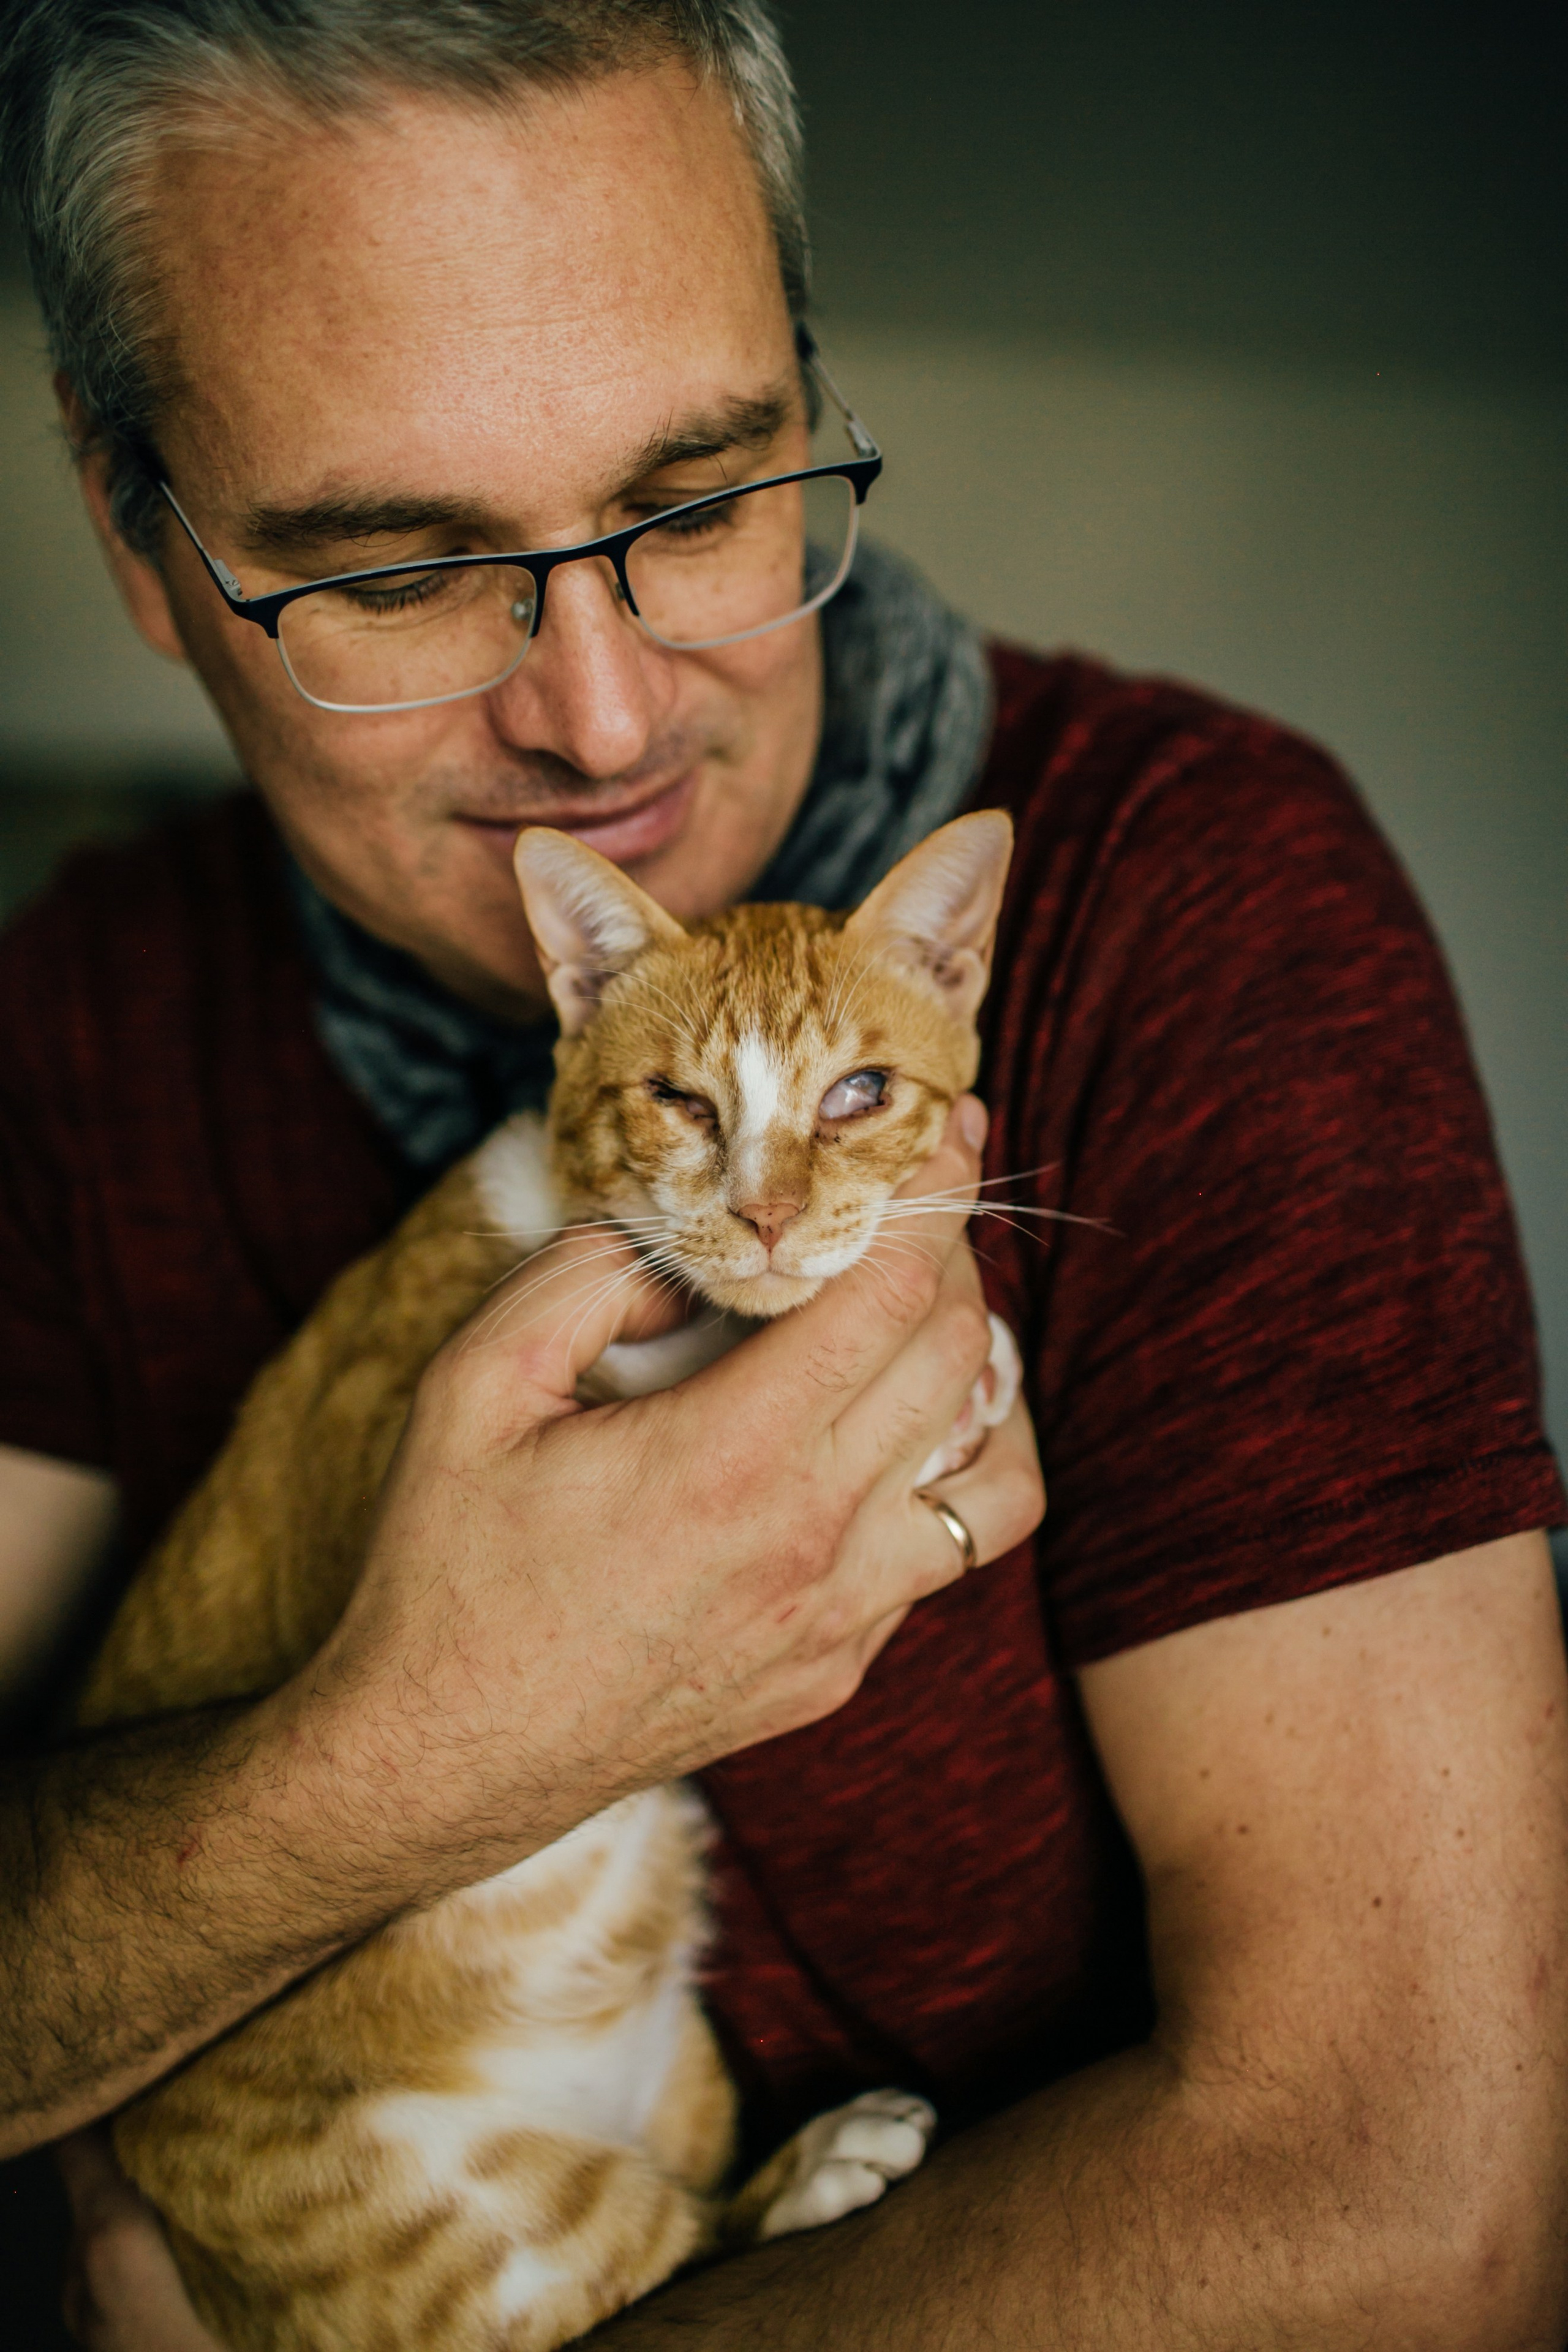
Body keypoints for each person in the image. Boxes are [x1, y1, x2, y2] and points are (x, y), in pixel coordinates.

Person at [0, 3, 1564, 2345]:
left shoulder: (1200, 912)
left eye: (708, 500)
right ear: (142, 536)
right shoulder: (75, 1025)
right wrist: (424, 1749)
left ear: (815, 402)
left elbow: (1418, 2229)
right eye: (408, 573)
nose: (606, 724)